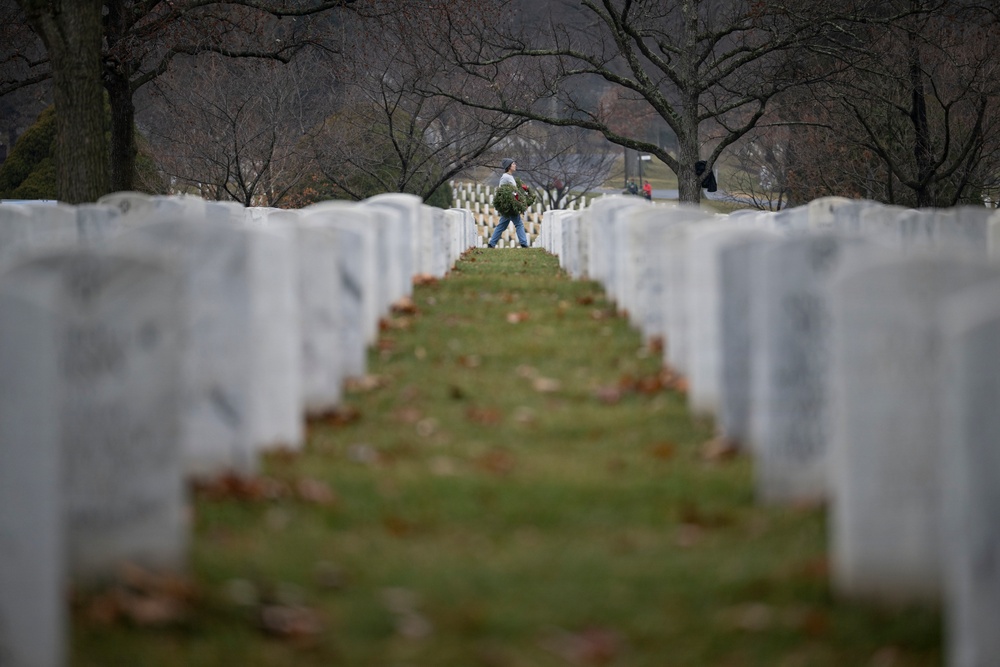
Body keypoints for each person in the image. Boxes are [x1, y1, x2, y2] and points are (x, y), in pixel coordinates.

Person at [488, 158, 529, 248]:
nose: (515, 165)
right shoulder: (506, 177)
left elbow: (513, 191)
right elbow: (504, 191)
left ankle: (491, 244)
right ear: (509, 166)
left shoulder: (509, 177)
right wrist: (517, 201)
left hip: (510, 204)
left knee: (502, 225)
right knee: (519, 224)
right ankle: (524, 243)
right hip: (509, 205)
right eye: (513, 164)